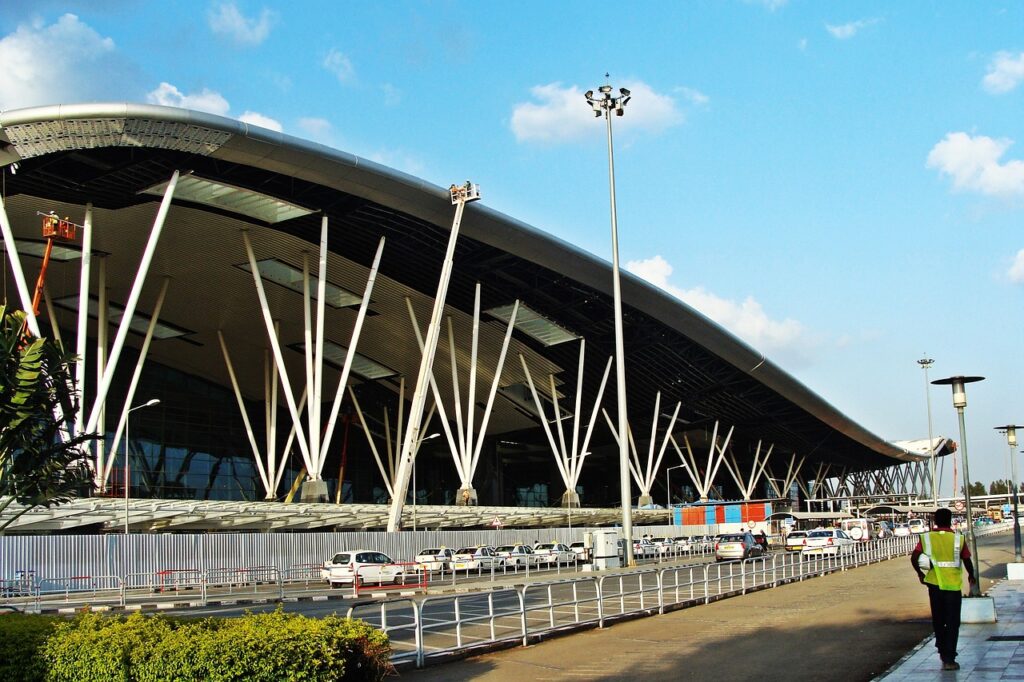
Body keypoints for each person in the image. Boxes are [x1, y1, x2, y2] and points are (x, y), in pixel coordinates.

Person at [910, 507, 977, 671]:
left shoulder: (926, 538)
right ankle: (950, 658)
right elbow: (967, 559)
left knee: (938, 620)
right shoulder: (958, 539)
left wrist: (920, 573)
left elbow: (914, 557)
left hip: (934, 585)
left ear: (935, 521)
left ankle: (941, 649)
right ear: (950, 520)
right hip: (953, 586)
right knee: (953, 622)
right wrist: (971, 575)